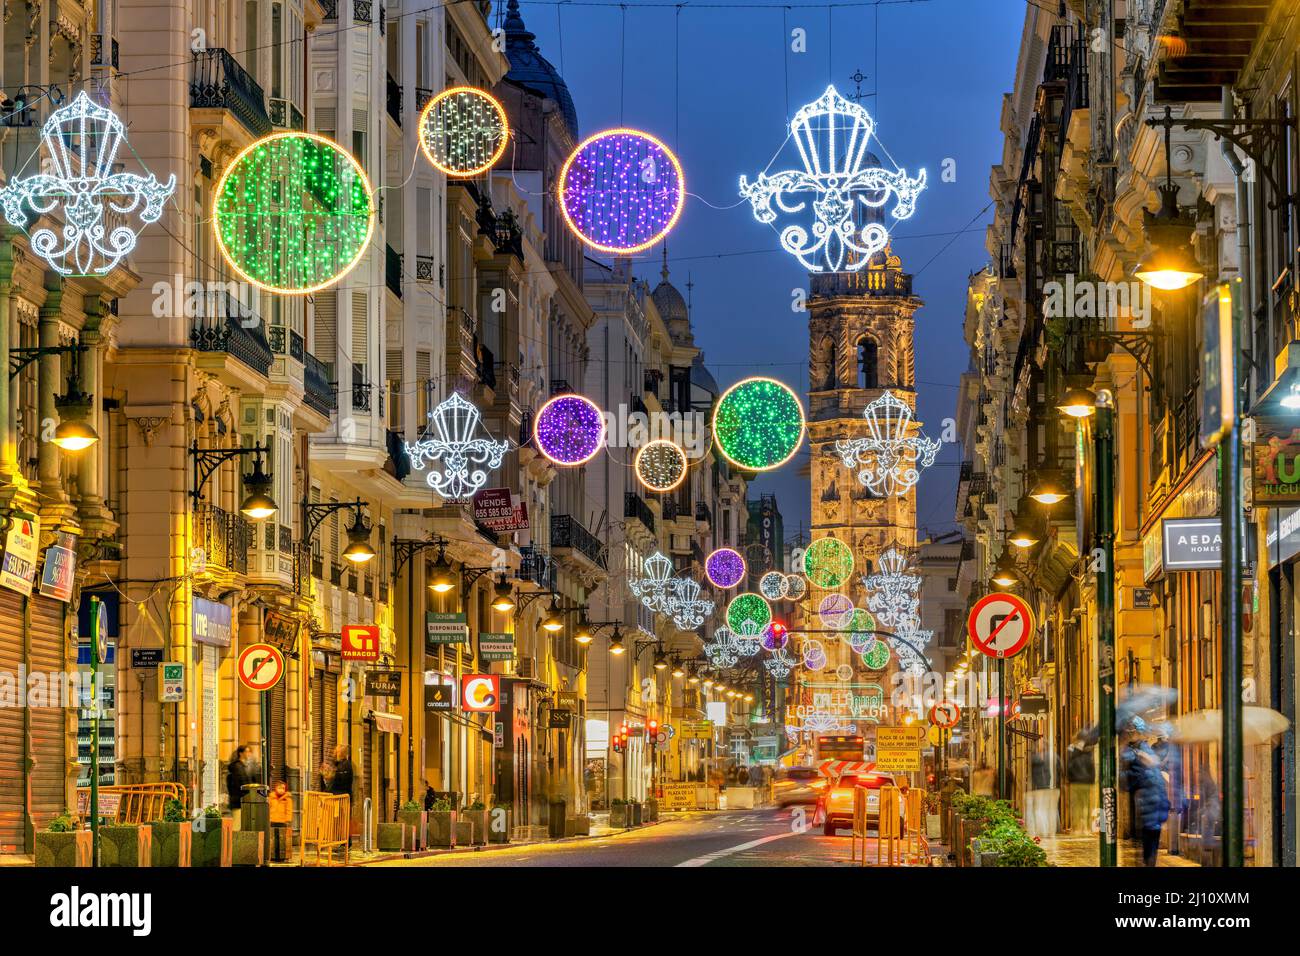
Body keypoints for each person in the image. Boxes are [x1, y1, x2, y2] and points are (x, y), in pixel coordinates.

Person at [1122, 734, 1170, 866]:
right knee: (1150, 843)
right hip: (1153, 814)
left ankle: (1148, 862)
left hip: (1149, 813)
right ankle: (1149, 862)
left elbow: (1126, 783)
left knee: (1148, 842)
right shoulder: (1154, 770)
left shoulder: (1142, 765)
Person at [1066, 731, 1096, 833]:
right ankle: (1086, 828)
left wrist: (1069, 779)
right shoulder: (1089, 750)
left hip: (1076, 782)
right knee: (1086, 805)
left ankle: (1077, 828)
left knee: (1076, 806)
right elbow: (1092, 766)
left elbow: (1069, 765)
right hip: (1086, 782)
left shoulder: (1071, 749)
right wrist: (1092, 779)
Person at [268, 780, 294, 862]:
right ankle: (272, 855)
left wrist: (288, 820)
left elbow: (289, 810)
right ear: (276, 788)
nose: (281, 790)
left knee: (282, 839)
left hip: (282, 822)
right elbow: (268, 809)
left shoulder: (287, 799)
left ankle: (282, 856)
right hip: (272, 820)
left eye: (283, 788)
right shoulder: (271, 798)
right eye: (279, 788)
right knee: (272, 839)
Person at [226, 745, 252, 821]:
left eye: (249, 752)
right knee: (237, 824)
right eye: (247, 752)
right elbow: (240, 783)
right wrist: (247, 793)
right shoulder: (238, 767)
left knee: (240, 823)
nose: (249, 754)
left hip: (241, 800)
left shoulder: (242, 766)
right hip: (238, 800)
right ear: (241, 753)